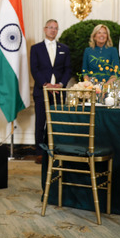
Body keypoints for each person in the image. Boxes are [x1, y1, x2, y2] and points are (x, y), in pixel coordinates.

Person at [29, 19, 72, 162]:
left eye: (55, 28)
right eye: (50, 27)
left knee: (55, 123)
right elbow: (34, 69)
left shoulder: (64, 49)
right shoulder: (36, 48)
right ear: (45, 29)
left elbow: (68, 69)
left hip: (59, 92)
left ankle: (53, 151)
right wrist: (45, 84)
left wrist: (60, 84)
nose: (53, 30)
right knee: (40, 123)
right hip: (41, 91)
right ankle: (40, 153)